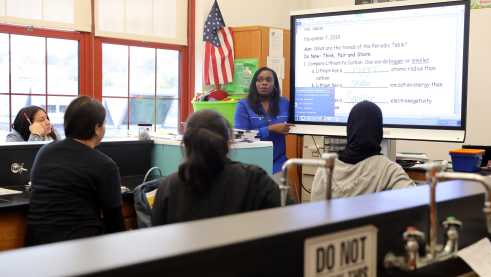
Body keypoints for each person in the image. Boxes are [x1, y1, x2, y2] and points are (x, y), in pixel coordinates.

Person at [151, 110, 280, 226]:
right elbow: (286, 220)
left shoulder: (168, 187)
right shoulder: (254, 179)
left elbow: (158, 240)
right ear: (229, 142)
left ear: (185, 144)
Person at [25, 96, 125, 246]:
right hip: (79, 251)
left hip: (35, 247)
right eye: (103, 123)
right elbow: (115, 223)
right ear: (97, 129)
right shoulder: (104, 165)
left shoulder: (44, 152)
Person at [311, 101, 415, 201]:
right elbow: (415, 202)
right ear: (379, 131)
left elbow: (313, 211)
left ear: (349, 128)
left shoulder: (325, 168)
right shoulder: (387, 169)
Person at [234, 67, 291, 176]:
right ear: (254, 84)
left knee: (279, 190)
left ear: (275, 84)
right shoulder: (243, 105)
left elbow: (295, 124)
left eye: (268, 80)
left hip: (278, 163)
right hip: (251, 163)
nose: (264, 83)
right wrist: (269, 129)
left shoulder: (284, 103)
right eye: (259, 80)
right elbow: (239, 136)